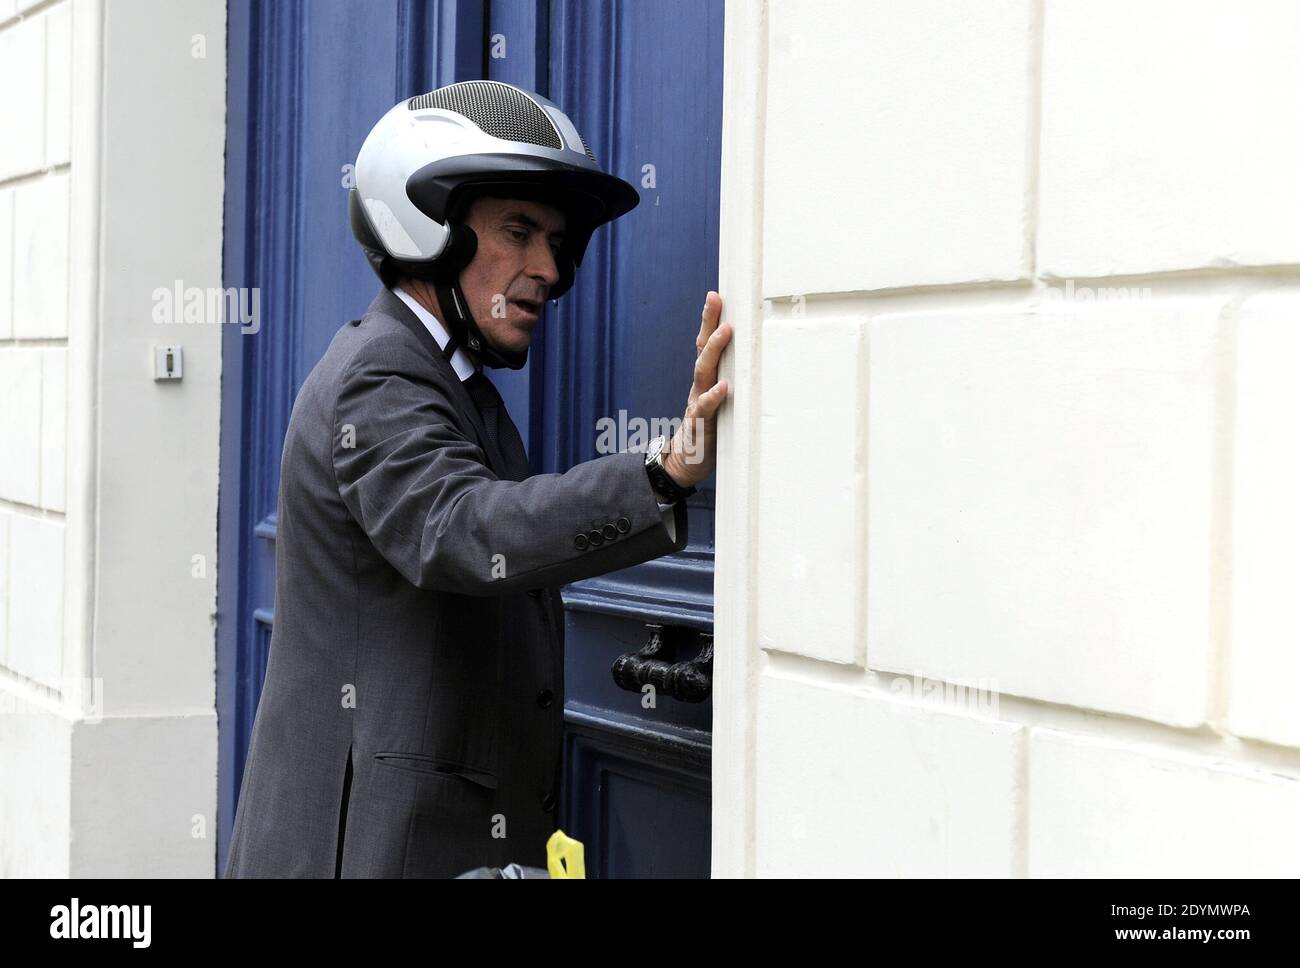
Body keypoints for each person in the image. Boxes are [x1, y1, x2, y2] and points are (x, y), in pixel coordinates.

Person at [223, 80, 732, 877]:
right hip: (367, 848)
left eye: (557, 243)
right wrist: (659, 475)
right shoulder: (380, 373)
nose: (549, 270)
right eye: (519, 232)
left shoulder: (452, 383)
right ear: (427, 231)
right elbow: (461, 529)